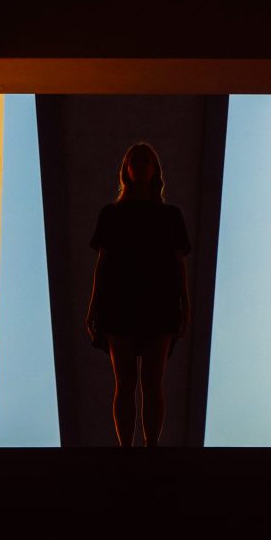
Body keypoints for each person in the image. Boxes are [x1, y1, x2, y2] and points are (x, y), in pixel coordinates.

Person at [85, 142, 192, 447]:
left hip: (161, 299)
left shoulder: (171, 215)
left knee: (152, 381)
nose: (142, 165)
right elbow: (102, 261)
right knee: (125, 381)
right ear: (127, 170)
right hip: (119, 299)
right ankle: (127, 448)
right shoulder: (111, 214)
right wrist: (93, 306)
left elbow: (178, 262)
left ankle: (150, 446)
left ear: (155, 170)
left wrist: (186, 304)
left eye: (147, 161)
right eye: (136, 160)